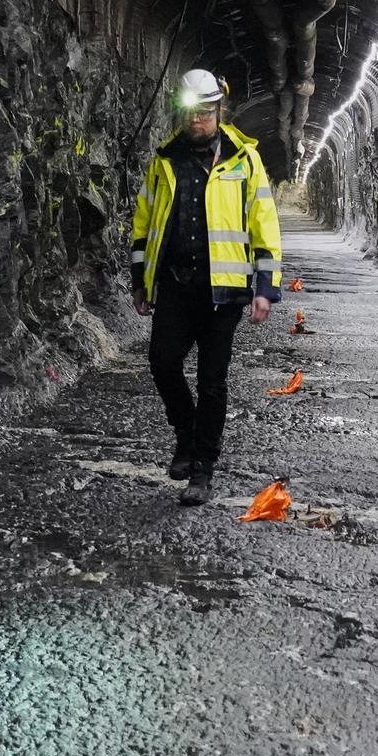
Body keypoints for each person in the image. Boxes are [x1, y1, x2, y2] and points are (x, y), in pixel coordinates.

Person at [129, 68, 282, 505]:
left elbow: (263, 222)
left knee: (213, 381)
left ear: (219, 110)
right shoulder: (164, 160)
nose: (197, 121)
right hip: (176, 285)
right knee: (162, 363)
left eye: (205, 112)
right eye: (190, 112)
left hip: (225, 290)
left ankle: (202, 467)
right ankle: (185, 432)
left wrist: (265, 287)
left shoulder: (243, 159)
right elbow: (145, 222)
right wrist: (141, 280)